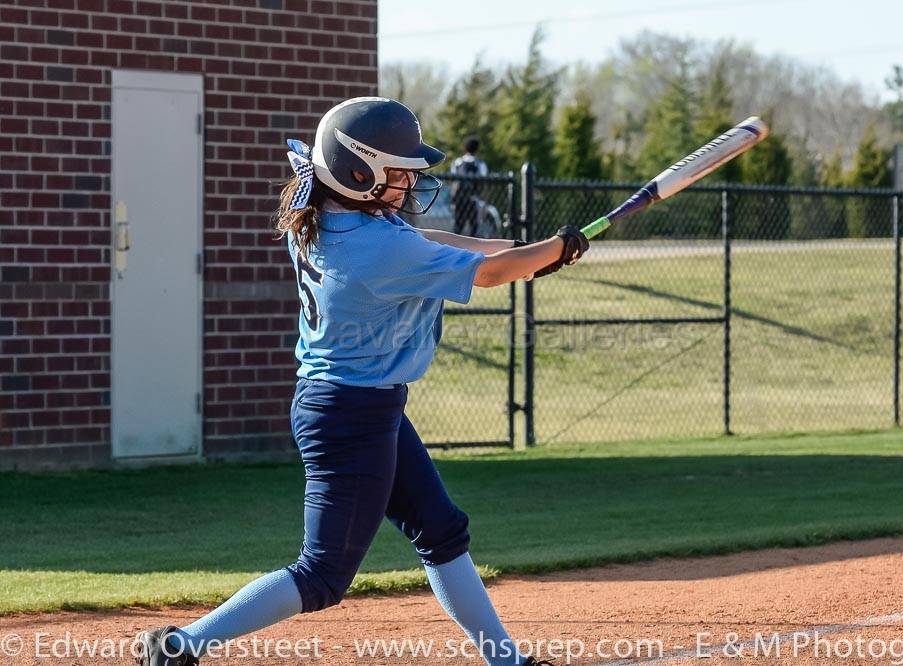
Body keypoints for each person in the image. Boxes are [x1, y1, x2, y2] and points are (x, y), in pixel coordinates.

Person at [135, 97, 587, 666]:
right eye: (397, 172)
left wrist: (539, 253)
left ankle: (507, 661)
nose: (407, 183)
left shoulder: (336, 215)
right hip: (350, 415)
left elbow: (455, 248)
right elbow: (486, 272)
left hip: (359, 406)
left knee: (441, 532)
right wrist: (547, 252)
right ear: (358, 172)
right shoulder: (378, 246)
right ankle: (180, 646)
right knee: (322, 575)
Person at [449, 135, 489, 236]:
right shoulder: (480, 164)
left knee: (458, 228)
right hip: (474, 199)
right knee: (474, 228)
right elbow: (483, 182)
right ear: (477, 149)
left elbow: (453, 181)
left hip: (459, 199)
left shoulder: (457, 162)